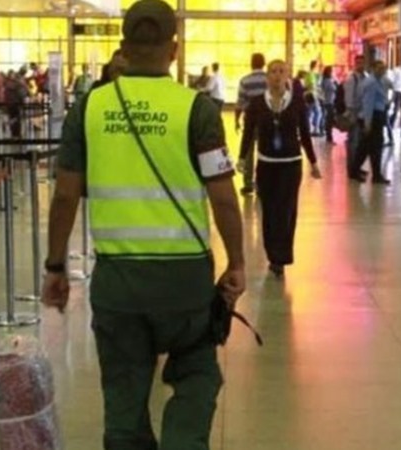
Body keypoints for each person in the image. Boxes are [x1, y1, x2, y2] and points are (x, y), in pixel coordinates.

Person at [41, 2, 246, 449]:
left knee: (124, 397)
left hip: (118, 285)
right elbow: (224, 198)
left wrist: (55, 266)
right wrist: (237, 262)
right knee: (197, 374)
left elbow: (64, 195)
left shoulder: (89, 109)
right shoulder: (198, 109)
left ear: (123, 48)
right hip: (185, 283)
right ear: (174, 49)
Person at [240, 59, 321, 277]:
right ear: (267, 76)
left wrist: (313, 162)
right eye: (273, 72)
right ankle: (271, 252)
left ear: (288, 76)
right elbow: (248, 132)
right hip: (266, 165)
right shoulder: (257, 103)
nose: (277, 76)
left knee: (286, 211)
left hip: (290, 164)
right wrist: (241, 157)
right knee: (269, 211)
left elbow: (304, 133)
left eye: (281, 72)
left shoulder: (297, 103)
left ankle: (281, 257)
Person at [234, 53, 268, 196]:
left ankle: (248, 184)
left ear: (251, 63)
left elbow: (240, 103)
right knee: (264, 152)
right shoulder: (269, 79)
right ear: (264, 63)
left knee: (248, 151)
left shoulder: (245, 81)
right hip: (267, 121)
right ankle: (263, 183)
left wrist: (236, 120)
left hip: (250, 121)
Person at [352, 60, 390, 184]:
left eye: (383, 68)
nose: (382, 70)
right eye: (379, 68)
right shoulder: (372, 83)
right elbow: (368, 104)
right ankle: (373, 174)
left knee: (367, 147)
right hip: (373, 117)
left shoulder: (378, 81)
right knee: (372, 147)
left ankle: (357, 170)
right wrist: (368, 123)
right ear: (373, 69)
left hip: (375, 116)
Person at [343, 55, 369, 180]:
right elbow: (349, 98)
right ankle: (352, 171)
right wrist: (351, 113)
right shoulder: (352, 79)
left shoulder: (366, 77)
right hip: (355, 114)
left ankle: (357, 167)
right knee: (353, 143)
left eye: (362, 62)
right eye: (358, 62)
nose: (360, 65)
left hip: (363, 114)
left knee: (361, 144)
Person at [319, 66, 337, 144]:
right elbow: (333, 89)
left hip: (327, 101)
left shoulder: (324, 80)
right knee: (329, 120)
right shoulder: (328, 81)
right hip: (329, 102)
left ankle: (328, 135)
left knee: (328, 119)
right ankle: (329, 137)